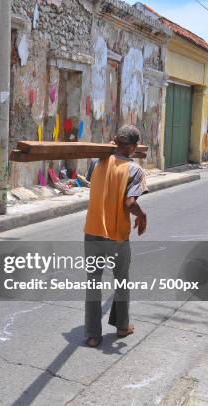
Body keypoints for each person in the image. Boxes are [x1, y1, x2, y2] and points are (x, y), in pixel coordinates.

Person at [83, 125, 149, 348]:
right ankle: (122, 326)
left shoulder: (96, 162)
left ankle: (93, 335)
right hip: (117, 236)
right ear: (133, 147)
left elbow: (96, 181)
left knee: (93, 283)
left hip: (92, 231)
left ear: (114, 141)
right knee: (121, 280)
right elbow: (130, 203)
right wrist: (143, 215)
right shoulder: (134, 170)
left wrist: (109, 154)